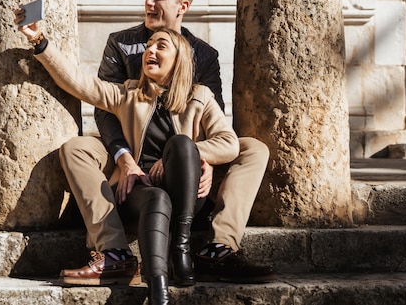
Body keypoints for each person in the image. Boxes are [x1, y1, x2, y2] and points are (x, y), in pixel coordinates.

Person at [60, 0, 274, 286]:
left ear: (182, 6)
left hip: (185, 157)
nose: (148, 2)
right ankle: (114, 252)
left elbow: (215, 118)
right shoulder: (120, 43)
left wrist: (204, 159)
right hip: (128, 153)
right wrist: (125, 159)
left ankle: (220, 248)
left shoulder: (204, 54)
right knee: (77, 147)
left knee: (254, 148)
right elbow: (102, 109)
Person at [15, 15, 239, 304]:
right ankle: (156, 292)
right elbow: (80, 83)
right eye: (148, 46)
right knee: (152, 195)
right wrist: (40, 42)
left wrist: (189, 156)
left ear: (179, 59)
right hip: (141, 192)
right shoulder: (129, 93)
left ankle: (180, 245)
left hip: (186, 195)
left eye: (161, 46)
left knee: (183, 144)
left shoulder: (200, 97)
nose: (150, 51)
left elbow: (229, 143)